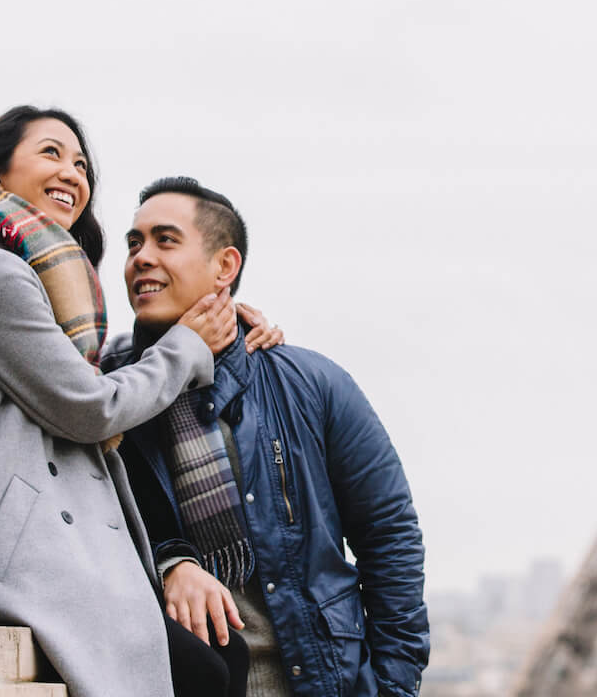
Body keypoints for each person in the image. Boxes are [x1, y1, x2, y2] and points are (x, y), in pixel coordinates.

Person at [0, 107, 277, 697]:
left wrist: (225, 326)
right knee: (205, 670)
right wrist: (189, 346)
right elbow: (89, 406)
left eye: (81, 164)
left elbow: (99, 377)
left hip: (43, 542)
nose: (73, 172)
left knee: (219, 657)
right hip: (0, 549)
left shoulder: (27, 270)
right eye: (51, 153)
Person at [104, 177, 429, 696]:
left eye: (165, 240)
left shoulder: (311, 384)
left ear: (225, 266)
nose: (141, 257)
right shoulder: (107, 393)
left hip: (313, 679)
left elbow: (388, 537)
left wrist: (392, 686)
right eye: (133, 243)